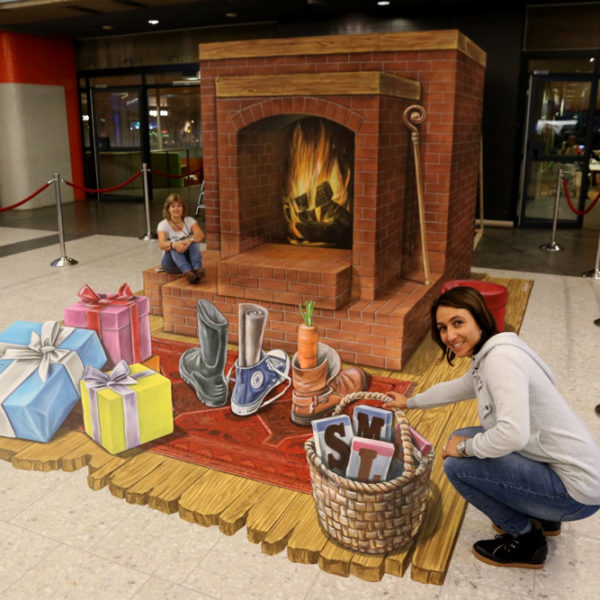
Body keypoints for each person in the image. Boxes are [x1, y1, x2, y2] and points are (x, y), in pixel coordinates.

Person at [388, 286, 600, 569]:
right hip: (572, 471)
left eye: (458, 323)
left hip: (575, 494)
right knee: (462, 438)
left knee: (456, 465)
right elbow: (458, 387)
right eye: (442, 328)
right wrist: (410, 402)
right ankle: (544, 516)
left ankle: (525, 539)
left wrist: (464, 450)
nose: (449, 336)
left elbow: (513, 434)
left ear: (479, 319)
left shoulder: (500, 361)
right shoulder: (496, 350)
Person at [157, 193, 205, 284]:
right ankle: (187, 272)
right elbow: (162, 244)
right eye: (173, 206)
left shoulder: (189, 220)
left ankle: (197, 269)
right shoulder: (163, 224)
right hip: (171, 264)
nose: (176, 209)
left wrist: (189, 240)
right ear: (168, 209)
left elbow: (200, 235)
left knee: (193, 239)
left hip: (189, 260)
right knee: (174, 241)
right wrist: (175, 244)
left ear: (183, 208)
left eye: (179, 206)